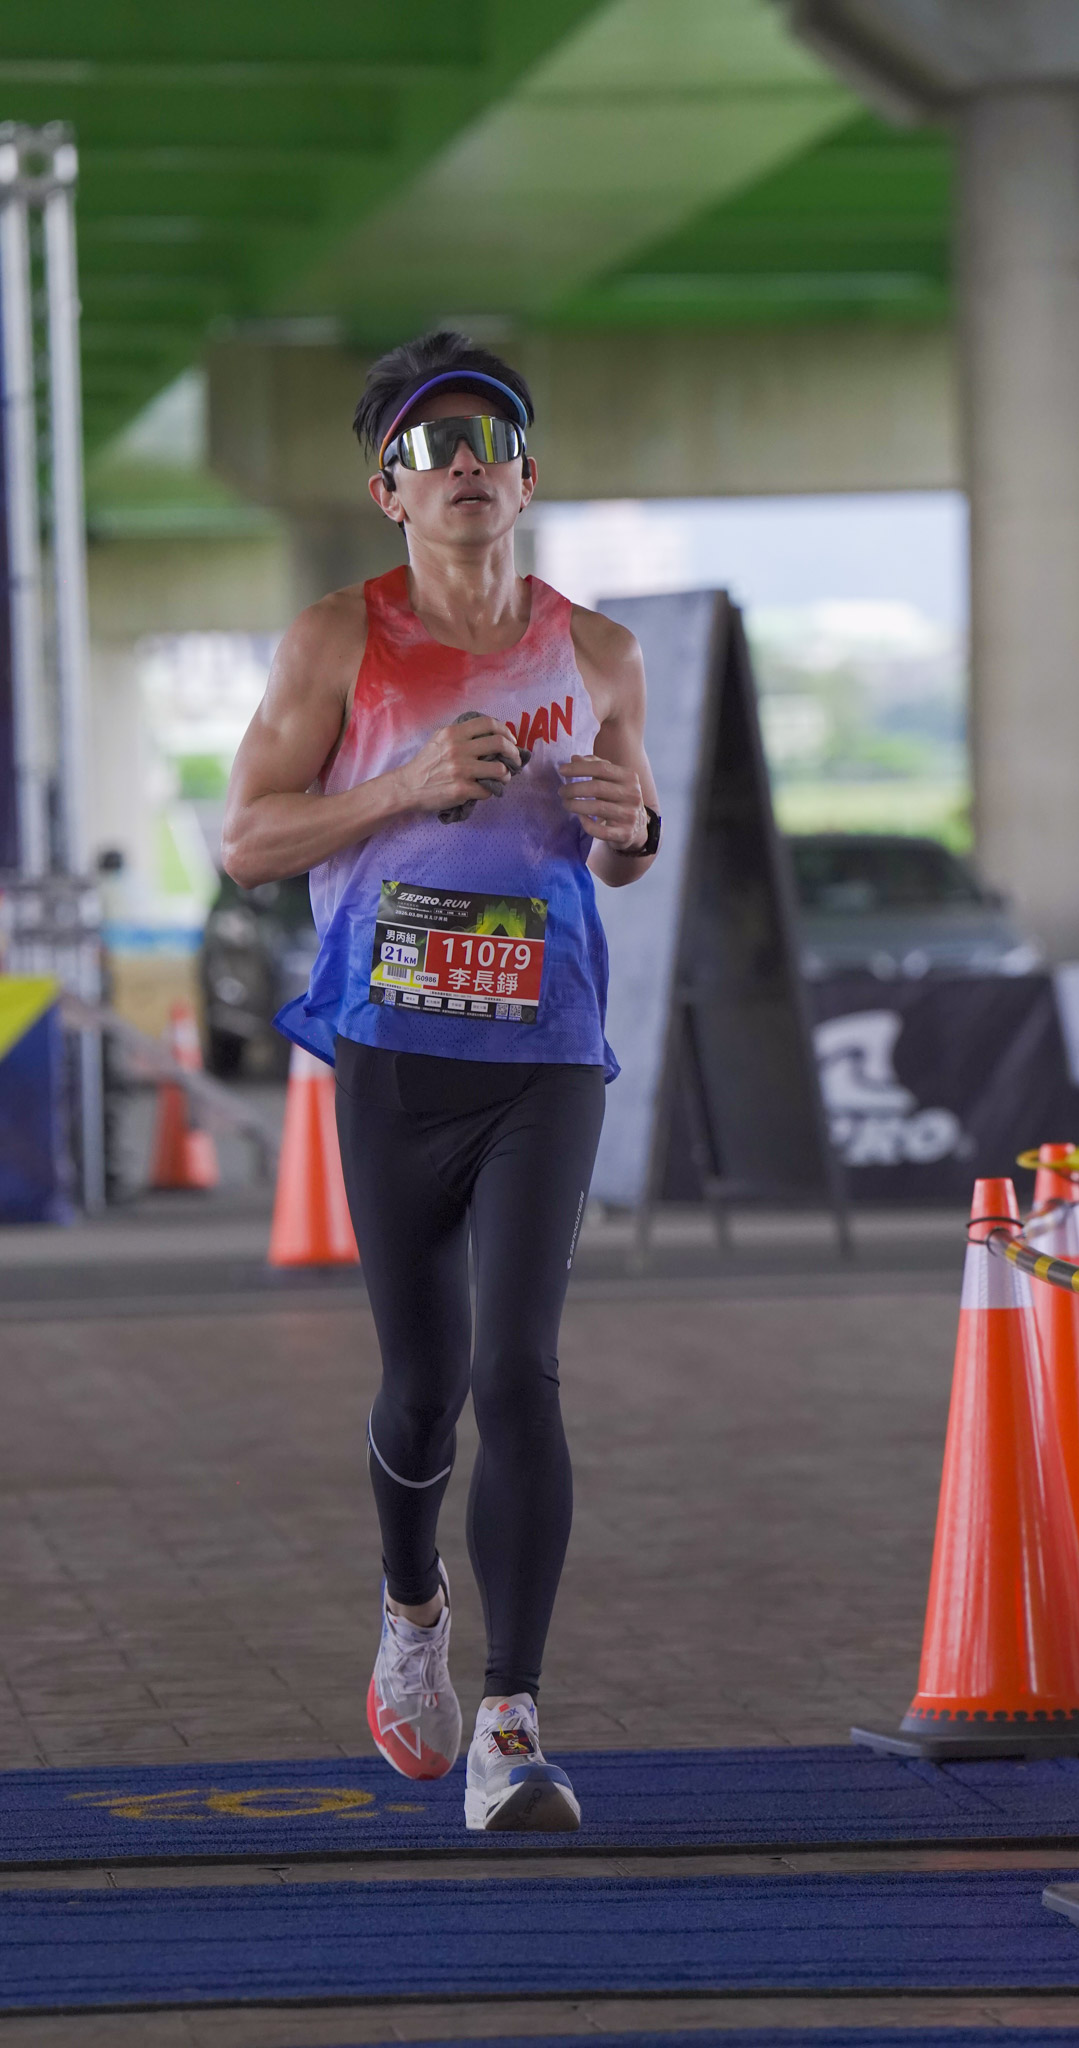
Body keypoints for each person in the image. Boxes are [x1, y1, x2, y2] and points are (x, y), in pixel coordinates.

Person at [222, 330, 659, 1832]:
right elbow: (247, 840)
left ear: (528, 481)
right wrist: (404, 785)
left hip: (547, 1053)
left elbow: (624, 844)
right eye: (428, 446)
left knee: (515, 1370)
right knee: (421, 1389)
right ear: (388, 492)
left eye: (491, 440)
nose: (463, 462)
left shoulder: (600, 653)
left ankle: (511, 1725)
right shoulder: (337, 640)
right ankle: (411, 1609)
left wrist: (631, 830)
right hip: (397, 1052)